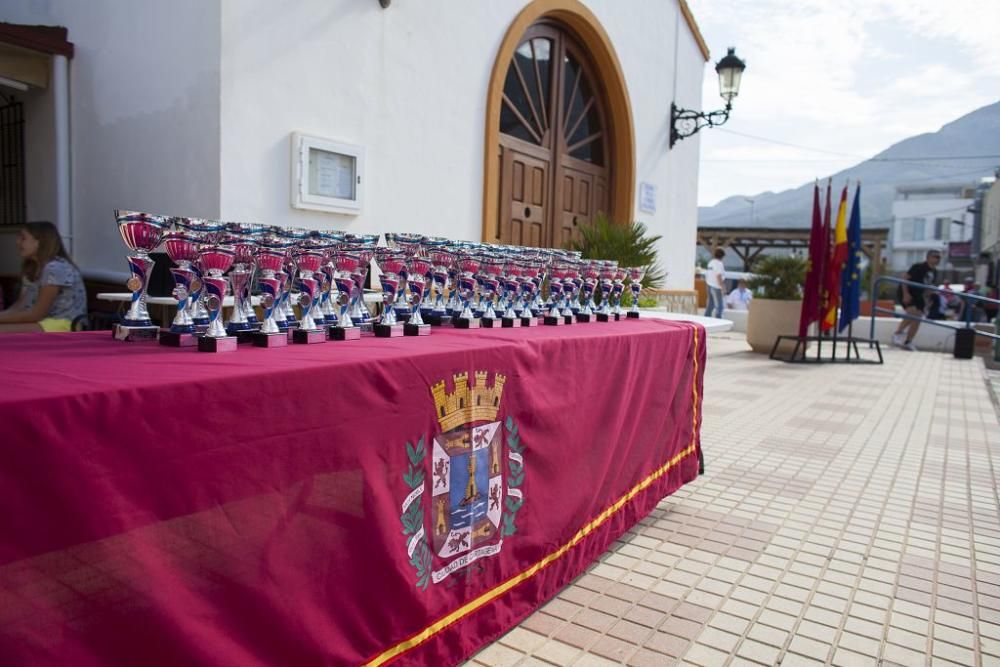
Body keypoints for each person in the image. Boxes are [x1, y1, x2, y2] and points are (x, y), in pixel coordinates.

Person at [0, 222, 86, 333]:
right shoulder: (34, 268)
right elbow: (20, 307)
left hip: (64, 324)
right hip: (44, 322)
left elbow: (37, 314)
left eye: (23, 238)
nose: (18, 242)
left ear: (40, 241)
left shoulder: (55, 268)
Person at [891, 249, 940, 350]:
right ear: (928, 257)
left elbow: (928, 288)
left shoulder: (934, 272)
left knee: (918, 318)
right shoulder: (918, 267)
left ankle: (908, 341)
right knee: (913, 313)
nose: (937, 259)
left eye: (939, 257)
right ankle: (897, 333)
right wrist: (905, 294)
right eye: (935, 257)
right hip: (909, 292)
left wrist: (927, 301)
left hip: (919, 296)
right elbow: (905, 278)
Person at [703, 248, 726, 318]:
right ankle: (719, 321)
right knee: (720, 306)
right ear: (722, 256)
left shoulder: (711, 263)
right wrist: (723, 287)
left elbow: (707, 275)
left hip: (709, 285)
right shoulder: (719, 264)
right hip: (716, 286)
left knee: (710, 305)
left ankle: (706, 320)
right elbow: (718, 276)